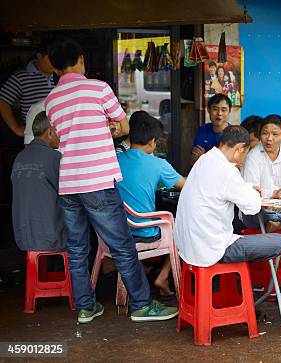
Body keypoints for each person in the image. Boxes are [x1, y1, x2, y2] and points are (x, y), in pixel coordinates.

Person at [44, 38, 177, 324]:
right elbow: (124, 127)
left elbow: (65, 134)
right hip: (98, 181)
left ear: (54, 68)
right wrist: (110, 127)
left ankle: (85, 307)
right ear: (81, 59)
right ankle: (141, 305)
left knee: (78, 248)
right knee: (122, 245)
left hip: (69, 183)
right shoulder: (98, 88)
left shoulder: (51, 99)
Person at [174, 126, 281, 267]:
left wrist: (247, 189)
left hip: (186, 248)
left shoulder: (203, 160)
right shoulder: (227, 170)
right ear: (239, 149)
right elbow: (252, 207)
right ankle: (250, 281)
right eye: (245, 154)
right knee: (278, 241)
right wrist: (253, 193)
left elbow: (221, 188)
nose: (243, 160)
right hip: (210, 250)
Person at [116, 111, 186, 299]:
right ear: (153, 141)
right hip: (144, 232)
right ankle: (163, 277)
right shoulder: (158, 164)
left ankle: (147, 274)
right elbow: (186, 185)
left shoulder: (115, 160)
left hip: (116, 230)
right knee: (181, 229)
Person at [11, 111, 65, 251]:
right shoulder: (55, 157)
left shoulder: (20, 157)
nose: (61, 137)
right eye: (59, 131)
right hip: (52, 238)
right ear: (50, 132)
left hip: (22, 238)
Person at [0, 40, 55, 139]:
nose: (55, 63)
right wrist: (15, 128)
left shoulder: (60, 75)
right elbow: (3, 101)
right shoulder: (21, 77)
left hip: (57, 136)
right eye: (51, 59)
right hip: (34, 138)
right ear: (39, 56)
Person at [191, 94, 231, 165]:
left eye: (223, 110)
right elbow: (194, 160)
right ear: (208, 110)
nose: (219, 113)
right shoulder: (202, 130)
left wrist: (204, 156)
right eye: (215, 109)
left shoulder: (234, 133)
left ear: (229, 111)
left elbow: (230, 164)